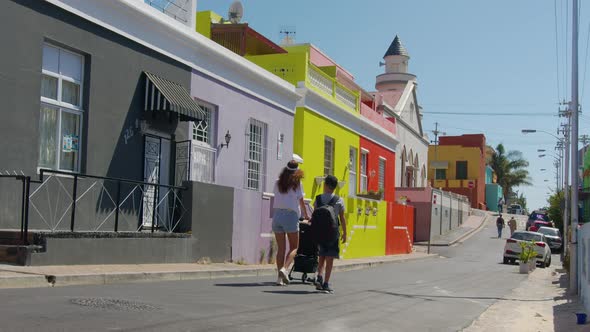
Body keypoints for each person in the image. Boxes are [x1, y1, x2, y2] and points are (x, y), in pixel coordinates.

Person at [272, 160, 310, 286]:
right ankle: (285, 269)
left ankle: (279, 279)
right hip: (290, 215)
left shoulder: (277, 182)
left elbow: (276, 197)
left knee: (281, 249)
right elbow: (301, 200)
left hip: (277, 215)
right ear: (297, 171)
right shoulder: (297, 183)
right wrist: (306, 215)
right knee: (294, 247)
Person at [313, 175, 347, 294]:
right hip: (333, 233)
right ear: (335, 186)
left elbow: (314, 215)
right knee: (330, 258)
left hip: (320, 233)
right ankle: (326, 283)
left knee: (321, 256)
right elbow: (342, 218)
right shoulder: (339, 200)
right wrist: (345, 233)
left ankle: (319, 277)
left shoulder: (318, 199)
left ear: (325, 185)